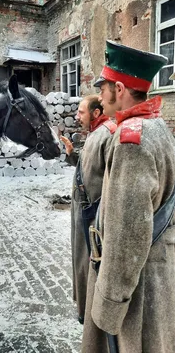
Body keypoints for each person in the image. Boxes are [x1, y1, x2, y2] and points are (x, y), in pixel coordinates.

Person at [81, 40, 175, 353]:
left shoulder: (129, 141)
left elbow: (127, 235)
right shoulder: (157, 126)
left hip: (135, 291)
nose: (101, 93)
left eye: (105, 85)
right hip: (156, 270)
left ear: (119, 89)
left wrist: (108, 307)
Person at [60, 95, 116, 325]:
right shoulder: (95, 133)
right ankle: (83, 307)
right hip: (82, 212)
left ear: (95, 113)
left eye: (81, 112)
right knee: (81, 261)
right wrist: (72, 153)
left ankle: (90, 311)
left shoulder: (108, 133)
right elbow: (88, 166)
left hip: (94, 217)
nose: (76, 116)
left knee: (90, 264)